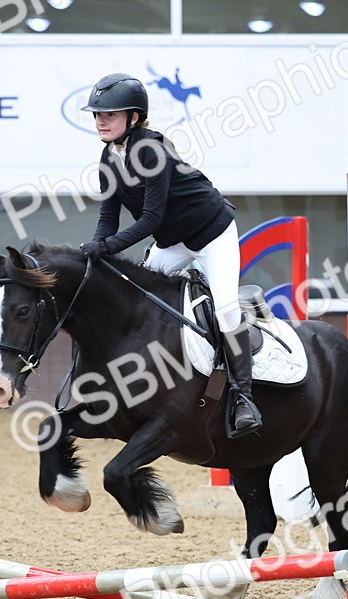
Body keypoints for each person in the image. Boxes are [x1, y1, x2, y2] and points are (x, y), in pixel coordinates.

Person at [78, 72, 262, 439]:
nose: (101, 121)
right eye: (97, 115)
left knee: (226, 310)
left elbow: (149, 220)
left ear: (133, 118)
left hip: (212, 234)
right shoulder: (108, 157)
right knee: (132, 299)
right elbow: (107, 218)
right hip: (173, 241)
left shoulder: (152, 151)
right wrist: (95, 249)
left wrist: (109, 247)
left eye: (109, 114)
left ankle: (244, 397)